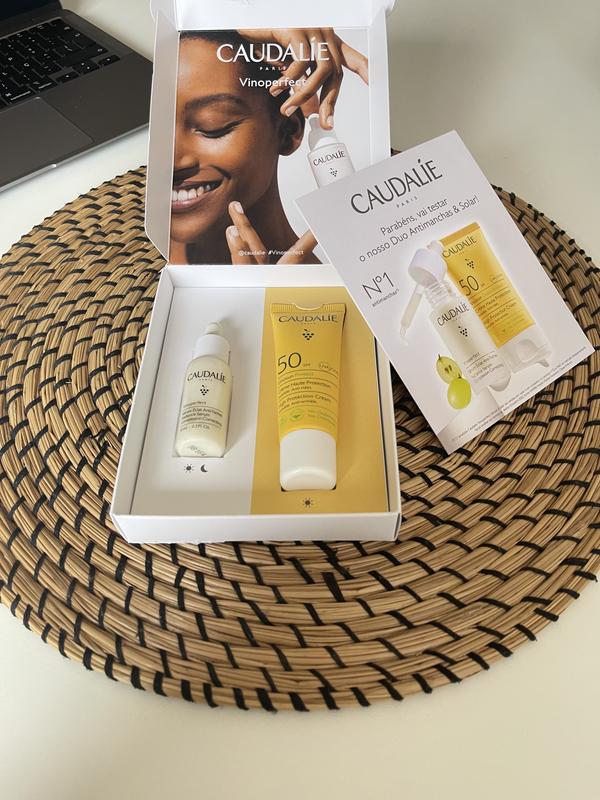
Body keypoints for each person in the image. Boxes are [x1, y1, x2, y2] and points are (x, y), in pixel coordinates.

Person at [170, 29, 368, 265]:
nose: (172, 160)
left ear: (287, 131)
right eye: (161, 130)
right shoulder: (144, 253)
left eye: (212, 125)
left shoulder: (331, 281)